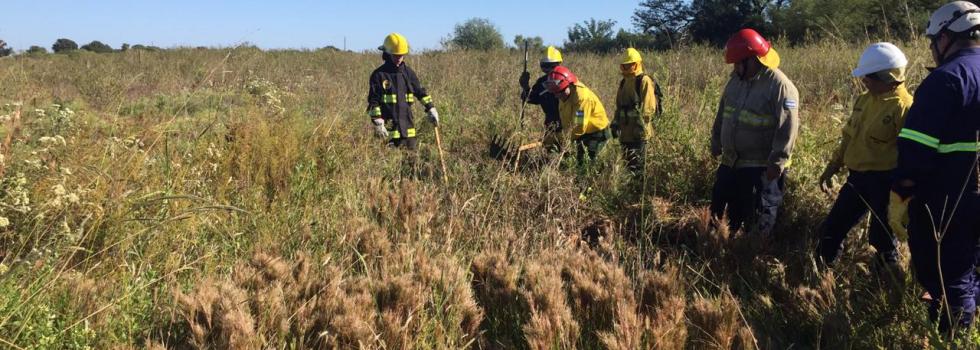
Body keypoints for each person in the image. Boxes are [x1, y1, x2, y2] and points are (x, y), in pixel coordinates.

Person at [890, 1, 980, 334]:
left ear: (946, 36)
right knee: (971, 266)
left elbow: (915, 150)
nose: (932, 48)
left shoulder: (945, 80)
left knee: (948, 273)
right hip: (971, 195)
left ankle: (953, 336)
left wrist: (901, 193)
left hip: (947, 200)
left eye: (932, 40)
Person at [816, 43, 912, 270]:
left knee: (882, 240)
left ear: (886, 77)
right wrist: (833, 165)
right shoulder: (864, 100)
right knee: (831, 230)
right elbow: (849, 136)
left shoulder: (905, 108)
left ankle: (887, 284)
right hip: (857, 179)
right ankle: (822, 279)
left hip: (886, 183)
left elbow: (911, 154)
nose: (864, 81)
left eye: (868, 77)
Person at [709, 28, 800, 236]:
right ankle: (725, 251)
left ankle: (752, 257)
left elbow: (789, 126)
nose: (734, 67)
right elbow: (723, 112)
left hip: (760, 167)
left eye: (737, 63)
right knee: (725, 211)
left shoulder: (779, 85)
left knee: (758, 218)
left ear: (752, 60)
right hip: (732, 162)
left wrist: (776, 162)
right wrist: (716, 140)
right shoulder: (736, 81)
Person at [366, 33, 439, 150]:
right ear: (387, 53)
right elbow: (373, 101)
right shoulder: (379, 75)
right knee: (388, 165)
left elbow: (420, 92)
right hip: (388, 133)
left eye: (401, 55)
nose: (399, 58)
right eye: (396, 55)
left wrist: (431, 108)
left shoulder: (408, 73)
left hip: (408, 131)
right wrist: (378, 123)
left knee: (412, 163)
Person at [544, 66, 611, 165]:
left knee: (586, 162)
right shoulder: (563, 94)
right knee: (575, 159)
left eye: (559, 93)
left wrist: (558, 138)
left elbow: (579, 127)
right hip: (580, 133)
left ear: (568, 86)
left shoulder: (582, 99)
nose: (557, 96)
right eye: (554, 93)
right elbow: (566, 121)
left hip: (596, 133)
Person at [612, 47, 661, 173]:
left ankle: (640, 191)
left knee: (639, 168)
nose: (627, 68)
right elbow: (619, 107)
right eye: (625, 65)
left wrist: (640, 129)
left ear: (636, 64)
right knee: (628, 168)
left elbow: (648, 109)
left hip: (639, 135)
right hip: (625, 134)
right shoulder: (623, 82)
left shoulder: (644, 80)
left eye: (630, 65)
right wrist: (615, 125)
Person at [520, 46, 564, 151]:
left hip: (566, 124)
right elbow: (531, 99)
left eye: (551, 66)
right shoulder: (541, 82)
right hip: (550, 124)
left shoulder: (566, 80)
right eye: (545, 66)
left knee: (566, 153)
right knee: (549, 152)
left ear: (559, 65)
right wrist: (525, 87)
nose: (548, 70)